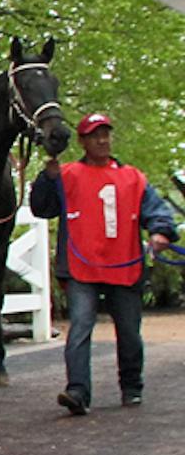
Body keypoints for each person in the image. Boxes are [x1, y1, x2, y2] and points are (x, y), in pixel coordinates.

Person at [30, 112, 178, 415]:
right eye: (95, 135)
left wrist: (161, 231)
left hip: (124, 263)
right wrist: (47, 179)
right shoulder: (67, 175)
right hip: (81, 265)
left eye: (105, 134)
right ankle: (78, 391)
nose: (102, 140)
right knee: (81, 326)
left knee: (129, 331)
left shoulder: (133, 178)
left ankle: (132, 387)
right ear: (83, 141)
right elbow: (42, 208)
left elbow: (156, 210)